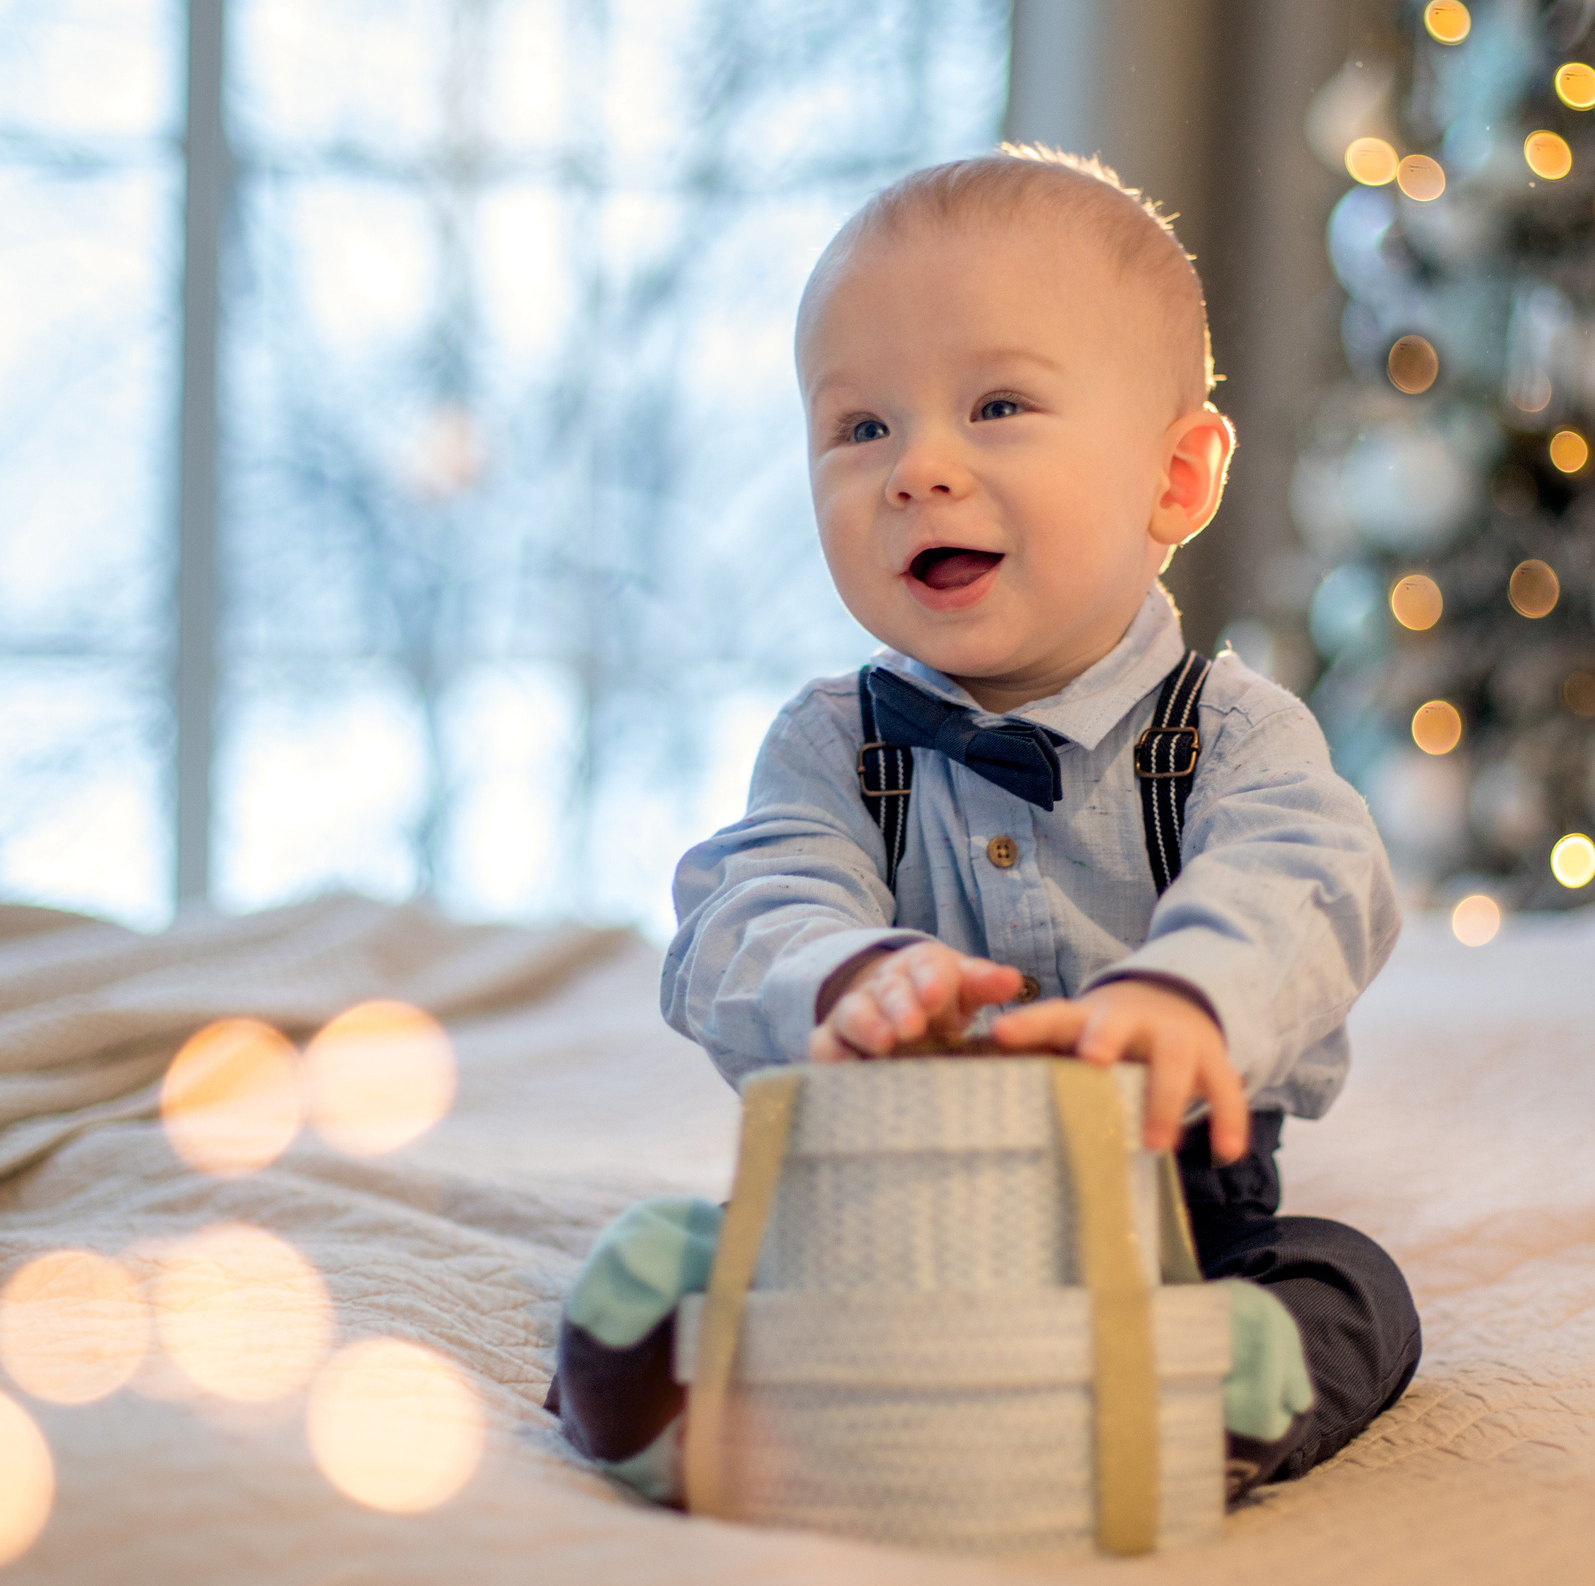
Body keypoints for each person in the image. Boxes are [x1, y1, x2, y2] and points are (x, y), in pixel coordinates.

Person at [552, 145, 1417, 1506]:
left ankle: (1204, 1394)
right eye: (861, 428)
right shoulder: (836, 743)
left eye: (998, 404)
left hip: (1172, 1218)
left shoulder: (1229, 732)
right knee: (722, 1248)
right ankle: (677, 1385)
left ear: (1177, 481)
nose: (918, 470)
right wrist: (844, 974)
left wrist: (1186, 992)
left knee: (1352, 1282)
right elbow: (736, 911)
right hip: (883, 1194)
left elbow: (1313, 879)